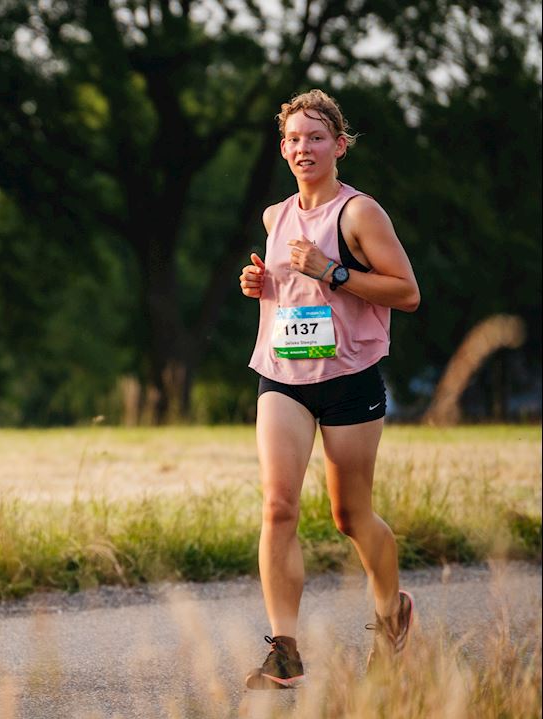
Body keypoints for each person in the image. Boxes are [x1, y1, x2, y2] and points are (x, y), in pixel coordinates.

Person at [238, 89, 421, 689]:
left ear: (339, 145)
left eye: (315, 137)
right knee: (277, 505)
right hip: (283, 375)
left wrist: (334, 271)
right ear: (283, 148)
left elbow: (406, 292)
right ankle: (284, 651)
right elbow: (287, 294)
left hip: (348, 379)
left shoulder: (359, 214)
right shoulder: (274, 216)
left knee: (350, 514)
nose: (302, 148)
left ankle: (392, 615)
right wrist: (259, 284)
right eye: (292, 138)